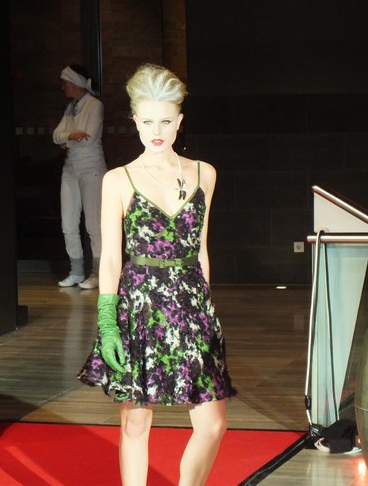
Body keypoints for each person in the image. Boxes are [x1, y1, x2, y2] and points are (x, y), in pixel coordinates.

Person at [78, 63, 236, 486]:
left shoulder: (204, 173)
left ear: (179, 121)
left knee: (212, 423)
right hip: (139, 304)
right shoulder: (118, 179)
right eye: (148, 121)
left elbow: (201, 250)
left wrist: (206, 312)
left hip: (190, 303)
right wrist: (107, 321)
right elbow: (111, 258)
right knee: (135, 422)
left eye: (165, 121)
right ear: (135, 121)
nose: (156, 131)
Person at [52, 64, 107, 290]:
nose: (63, 86)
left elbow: (89, 139)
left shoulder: (95, 105)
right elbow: (56, 136)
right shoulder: (70, 108)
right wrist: (71, 136)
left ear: (76, 83)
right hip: (71, 169)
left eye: (65, 82)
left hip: (91, 168)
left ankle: (98, 273)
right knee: (68, 223)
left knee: (94, 224)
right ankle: (76, 271)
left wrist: (68, 140)